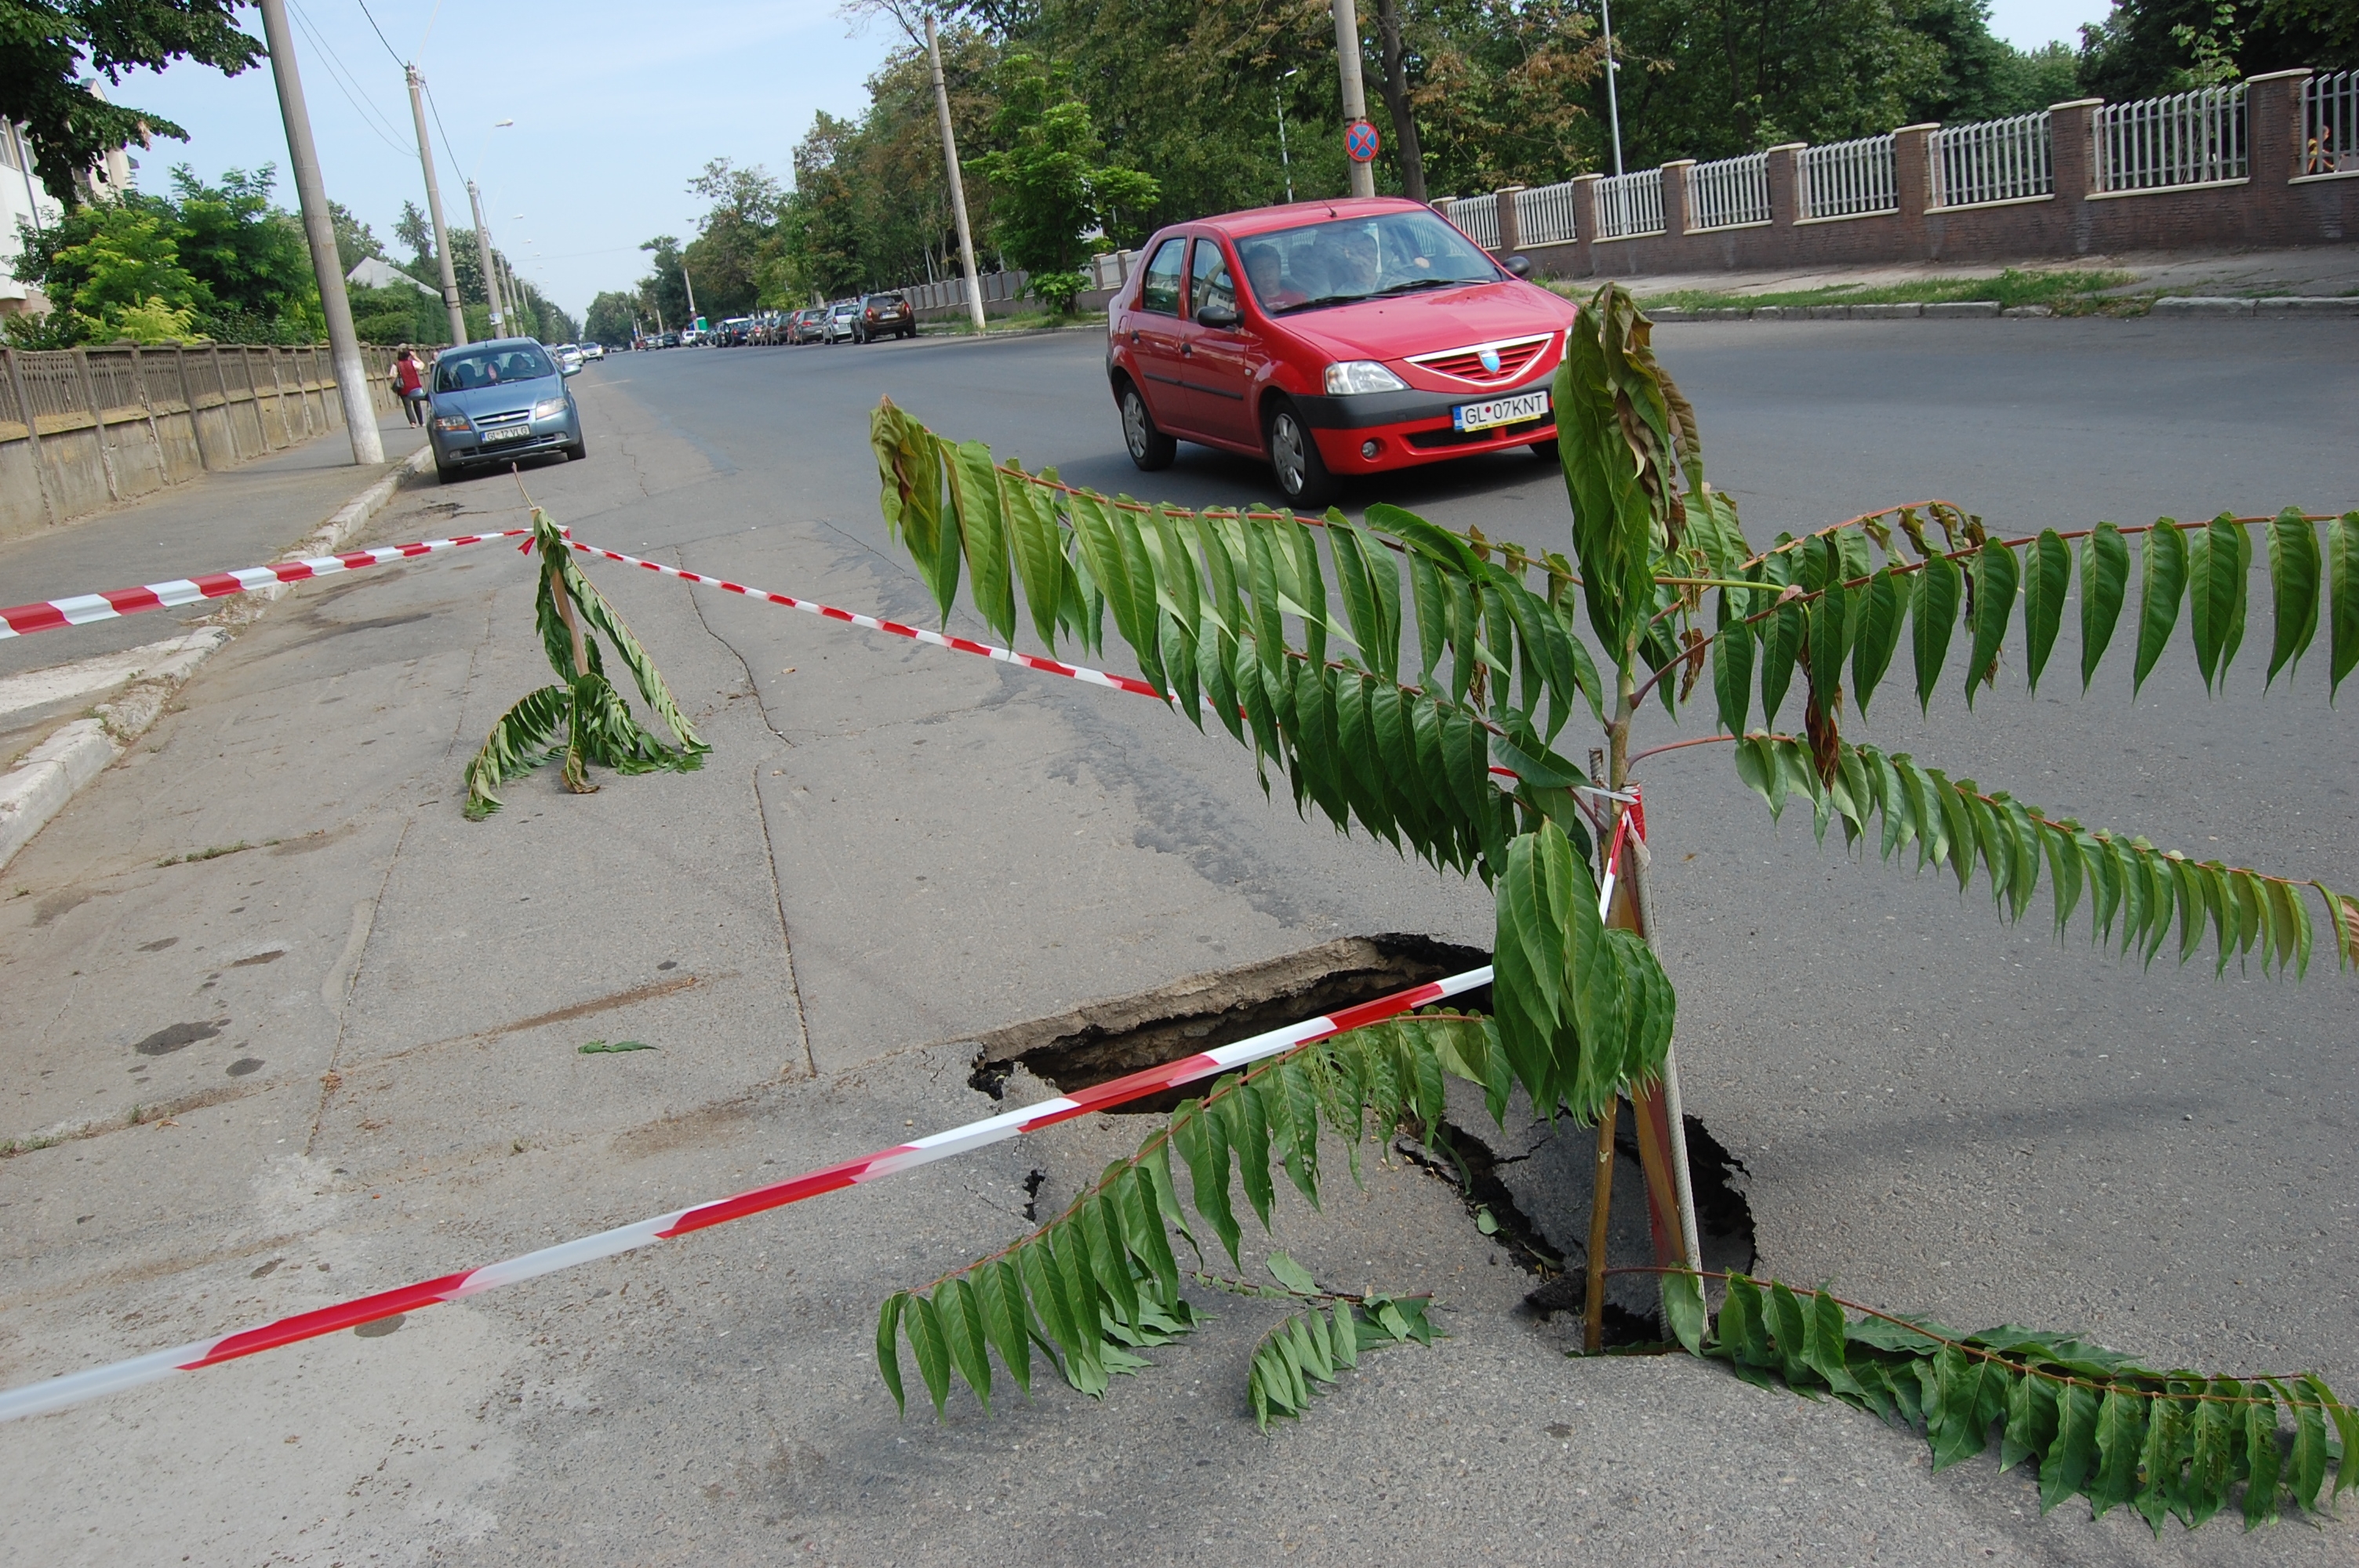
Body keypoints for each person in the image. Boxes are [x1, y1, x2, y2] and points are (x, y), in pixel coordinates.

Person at [1240, 244, 1307, 310]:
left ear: (1279, 269)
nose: (1266, 273)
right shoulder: (1247, 304)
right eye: (1259, 269)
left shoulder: (1299, 299)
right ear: (1251, 274)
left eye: (1270, 267)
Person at [391, 346, 426, 426]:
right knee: (417, 404)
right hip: (415, 386)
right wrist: (415, 356)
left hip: (403, 388)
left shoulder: (396, 365)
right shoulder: (413, 363)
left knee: (407, 406)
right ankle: (421, 422)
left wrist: (394, 386)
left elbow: (393, 376)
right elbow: (422, 365)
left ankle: (412, 422)